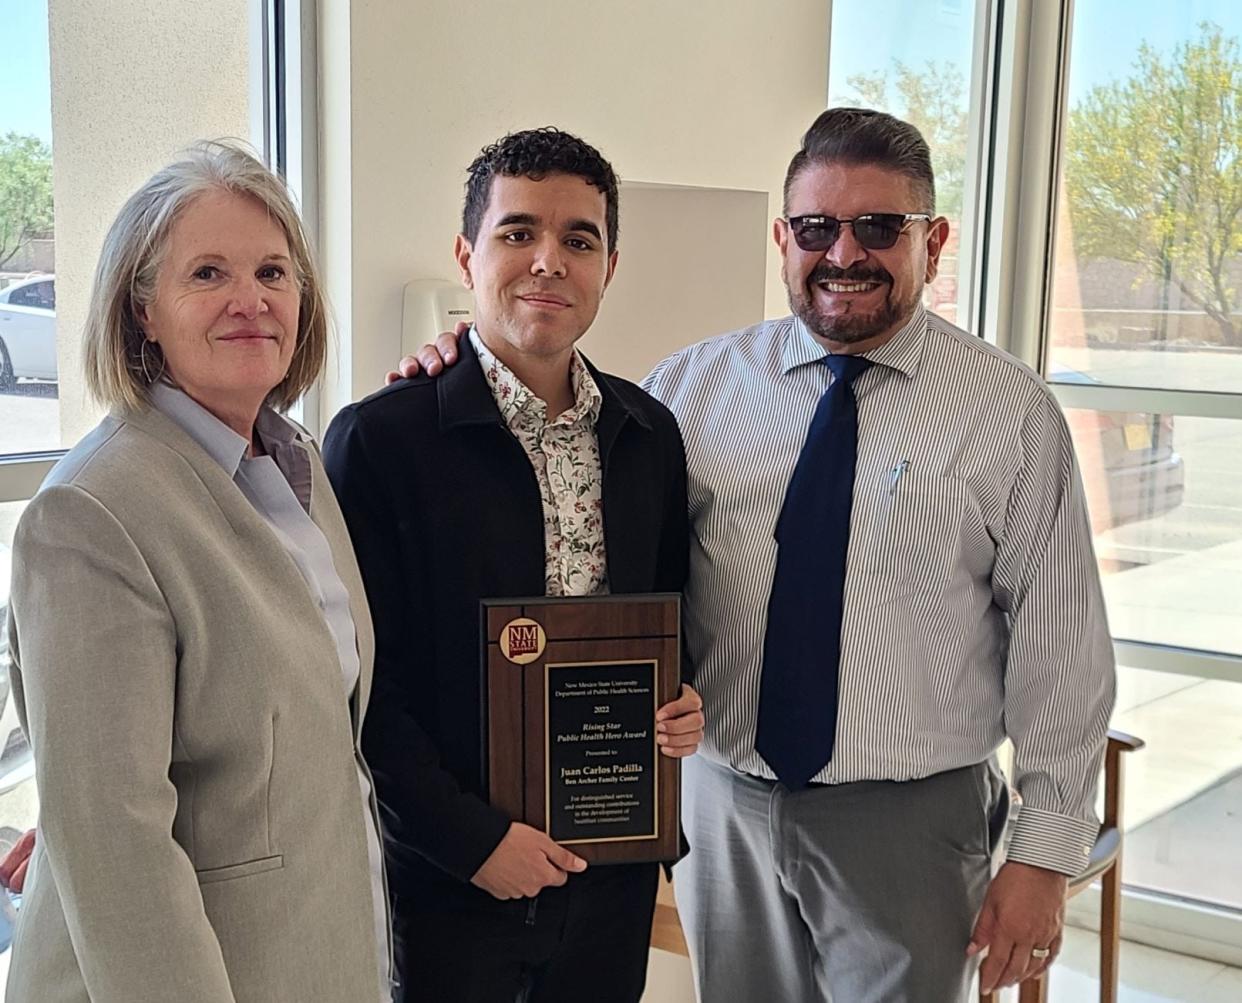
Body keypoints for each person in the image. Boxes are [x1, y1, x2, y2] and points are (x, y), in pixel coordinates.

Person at [399, 108, 1116, 1003]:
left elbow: (1064, 654)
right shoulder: (685, 394)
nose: (843, 253)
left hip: (914, 820)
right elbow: (570, 482)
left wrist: (1044, 859)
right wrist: (457, 356)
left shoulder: (1010, 414)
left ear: (932, 240)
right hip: (721, 802)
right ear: (784, 236)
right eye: (816, 226)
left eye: (879, 227)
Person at [320, 128, 703, 1003]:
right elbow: (360, 686)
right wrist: (470, 843)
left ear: (611, 264)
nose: (549, 262)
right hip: (452, 883)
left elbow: (670, 618)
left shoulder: (649, 436)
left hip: (609, 870)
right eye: (516, 232)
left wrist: (680, 699)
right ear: (466, 252)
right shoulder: (380, 442)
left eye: (579, 239)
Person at [3, 142, 392, 1002]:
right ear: (143, 308)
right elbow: (116, 847)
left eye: (272, 271)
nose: (250, 299)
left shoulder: (297, 466)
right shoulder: (92, 514)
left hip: (314, 953)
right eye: (208, 272)